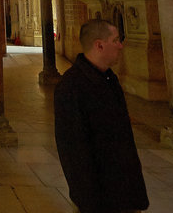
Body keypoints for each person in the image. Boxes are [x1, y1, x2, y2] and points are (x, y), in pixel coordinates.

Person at [53, 19, 149, 213]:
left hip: (124, 192)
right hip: (99, 199)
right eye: (116, 40)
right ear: (99, 45)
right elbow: (73, 152)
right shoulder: (71, 87)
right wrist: (88, 202)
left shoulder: (110, 79)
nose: (121, 46)